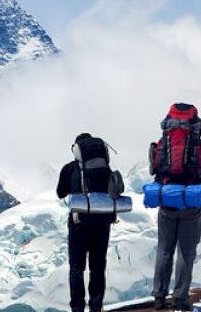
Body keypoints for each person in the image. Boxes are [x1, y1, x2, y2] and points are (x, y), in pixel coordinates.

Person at [149, 103, 201, 311]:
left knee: (164, 250)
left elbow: (154, 170)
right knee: (186, 252)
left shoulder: (162, 144)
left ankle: (159, 297)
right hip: (191, 203)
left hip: (167, 202)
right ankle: (180, 298)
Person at [56, 133, 117, 312]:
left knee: (77, 268)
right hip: (102, 222)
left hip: (79, 221)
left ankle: (77, 308)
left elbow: (60, 193)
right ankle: (96, 306)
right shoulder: (106, 169)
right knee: (98, 267)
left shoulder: (69, 169)